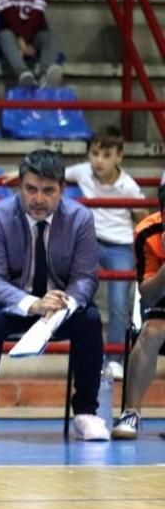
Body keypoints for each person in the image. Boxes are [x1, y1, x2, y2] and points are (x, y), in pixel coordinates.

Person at [0, 150, 109, 442]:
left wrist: (64, 304)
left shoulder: (80, 219)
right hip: (11, 308)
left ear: (62, 190)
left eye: (48, 191)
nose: (39, 199)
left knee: (90, 319)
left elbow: (86, 278)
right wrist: (33, 305)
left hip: (59, 309)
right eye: (31, 189)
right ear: (20, 186)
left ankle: (86, 413)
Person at [3, 128, 145, 381]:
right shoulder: (82, 172)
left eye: (106, 154)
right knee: (69, 284)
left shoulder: (130, 187)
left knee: (118, 299)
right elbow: (53, 176)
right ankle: (53, 322)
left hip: (119, 245)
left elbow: (142, 218)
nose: (99, 160)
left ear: (119, 157)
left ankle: (114, 359)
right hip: (87, 240)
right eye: (95, 153)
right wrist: (18, 174)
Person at [111, 183, 165, 440]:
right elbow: (149, 294)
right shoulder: (147, 232)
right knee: (151, 332)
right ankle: (131, 413)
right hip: (162, 300)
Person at [0, 0, 62, 88]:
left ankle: (44, 76)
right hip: (11, 33)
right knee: (4, 36)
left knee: (50, 38)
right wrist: (21, 40)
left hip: (35, 34)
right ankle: (23, 73)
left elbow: (37, 15)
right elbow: (8, 15)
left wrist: (25, 41)